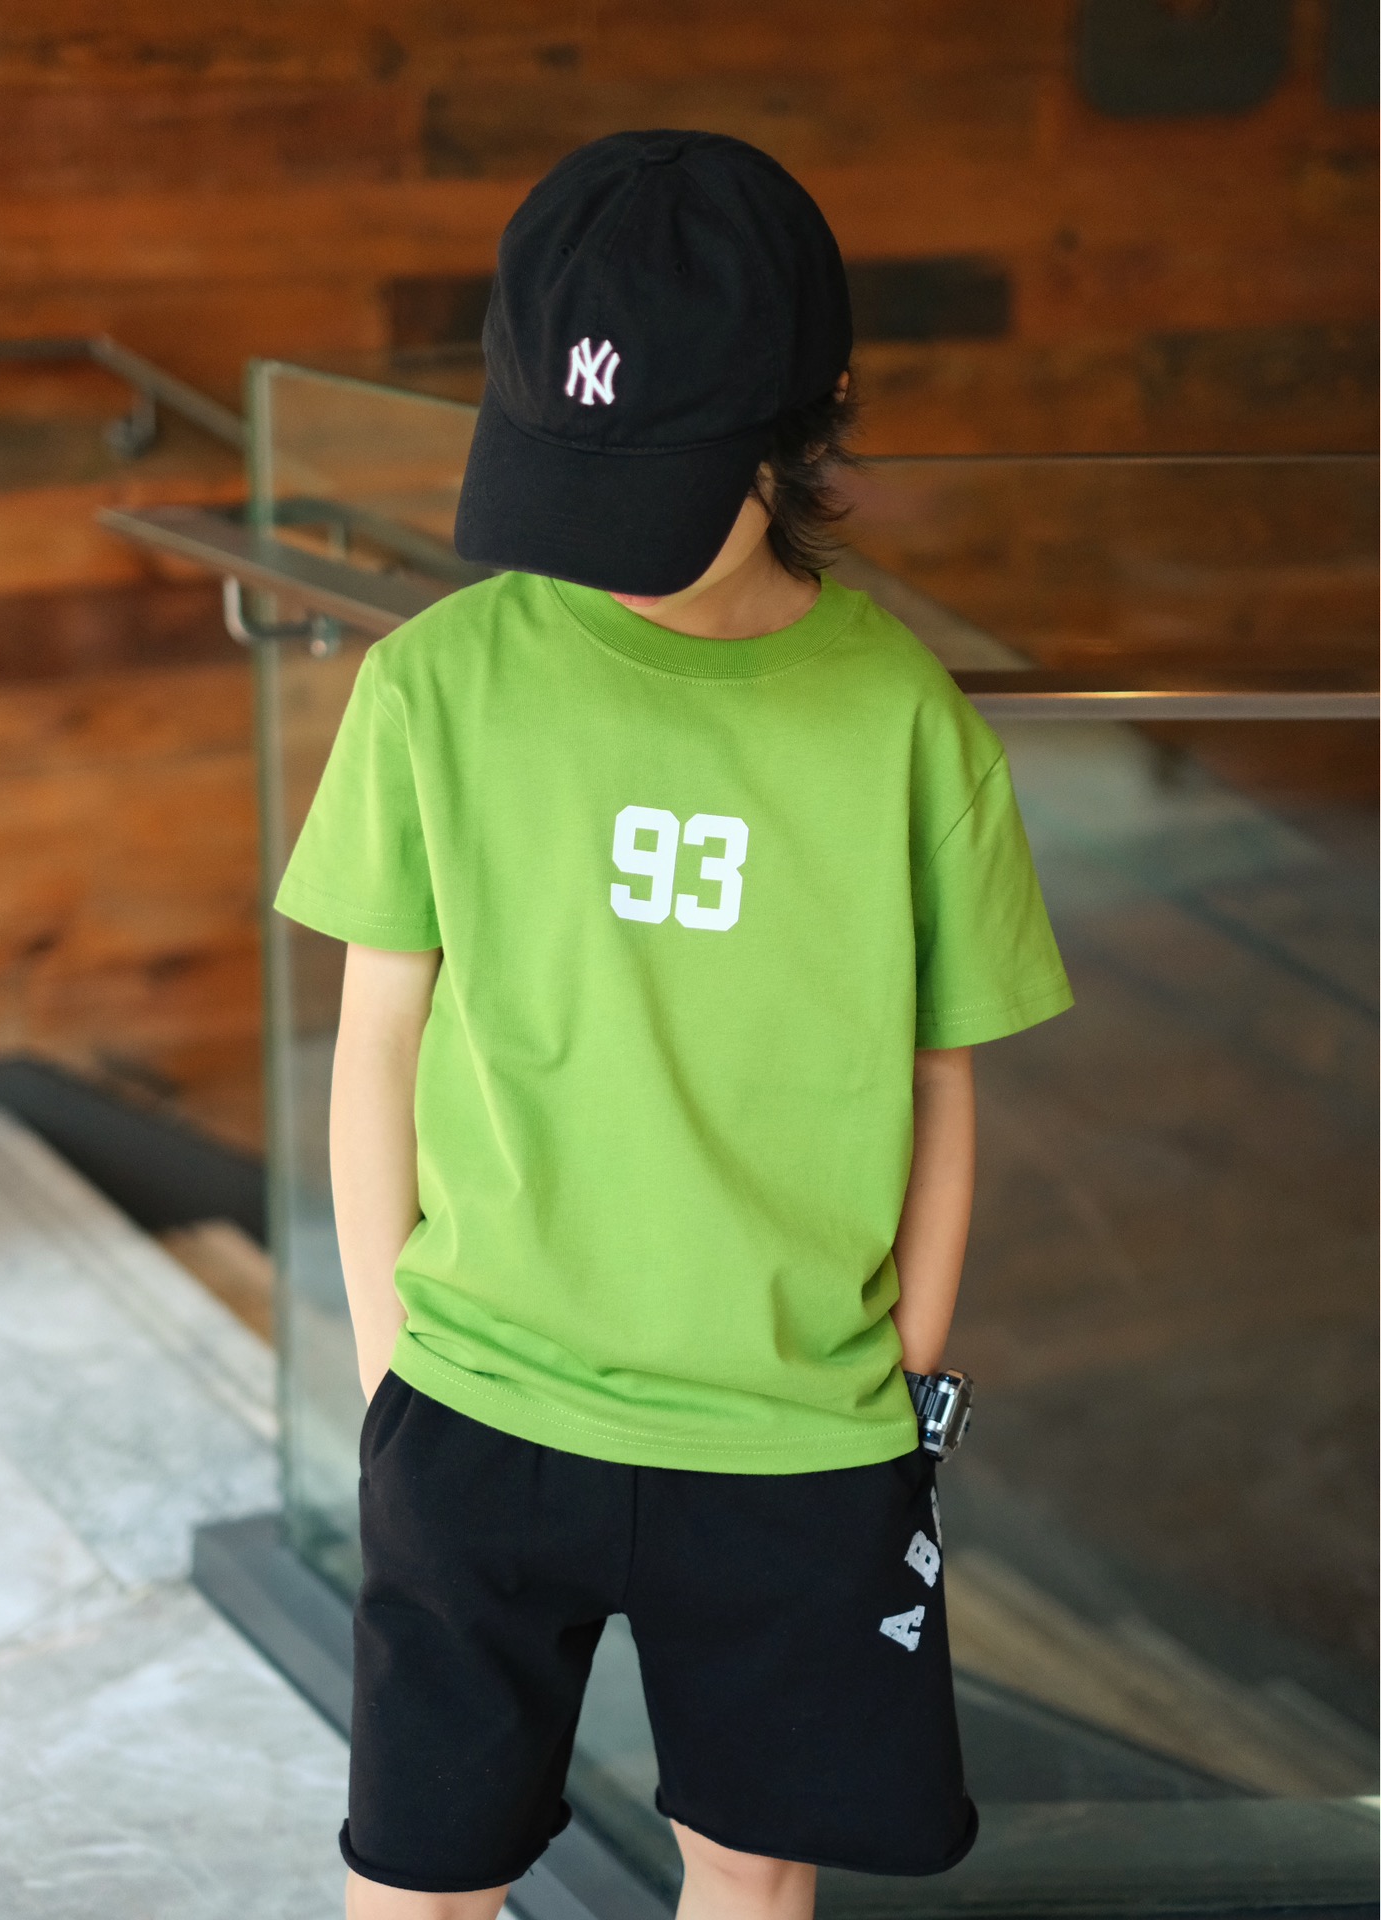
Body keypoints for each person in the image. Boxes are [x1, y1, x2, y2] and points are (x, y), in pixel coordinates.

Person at [274, 129, 1074, 1920]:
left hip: (798, 1438)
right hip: (476, 1400)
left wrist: (903, 1390)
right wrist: (392, 1366)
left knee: (752, 1874)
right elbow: (377, 1041)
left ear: (805, 424)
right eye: (567, 479)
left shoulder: (907, 727)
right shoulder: (433, 685)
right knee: (418, 1874)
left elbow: (941, 1087)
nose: (600, 552)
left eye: (652, 488)